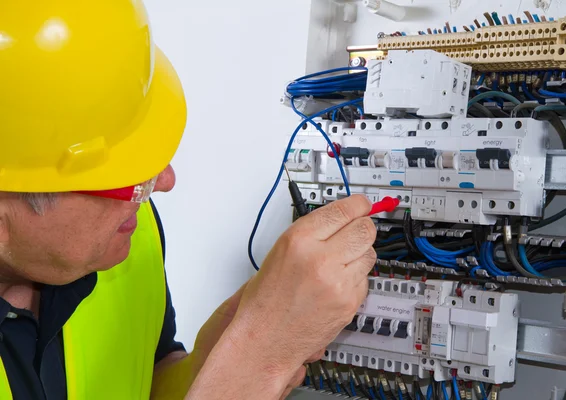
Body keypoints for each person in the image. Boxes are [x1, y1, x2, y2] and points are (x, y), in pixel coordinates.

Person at [0, 1, 377, 399]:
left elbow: (145, 380)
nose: (164, 182)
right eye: (125, 179)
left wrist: (214, 357)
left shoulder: (132, 232)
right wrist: (256, 362)